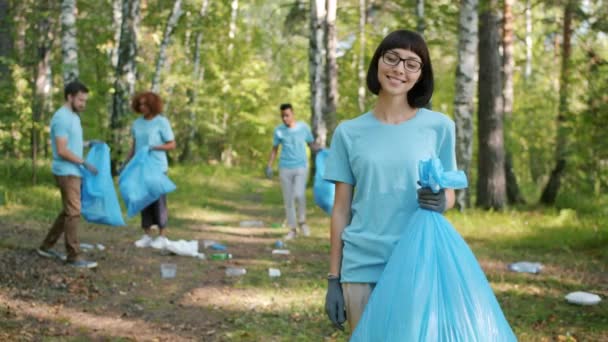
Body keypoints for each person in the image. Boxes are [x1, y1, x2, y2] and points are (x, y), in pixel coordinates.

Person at [323, 30, 457, 333]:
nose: (399, 69)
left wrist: (442, 201)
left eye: (412, 63)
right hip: (360, 263)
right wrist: (333, 278)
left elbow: (449, 194)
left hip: (416, 260)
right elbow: (341, 210)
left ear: (422, 75)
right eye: (392, 58)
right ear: (378, 63)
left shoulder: (440, 127)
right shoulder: (348, 132)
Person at [36, 81, 100, 269]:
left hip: (73, 170)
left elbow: (71, 142)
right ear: (69, 97)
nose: (83, 104)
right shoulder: (62, 117)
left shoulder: (73, 116)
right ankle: (73, 255)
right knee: (74, 212)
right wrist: (84, 162)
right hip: (67, 171)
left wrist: (88, 145)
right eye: (80, 100)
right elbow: (62, 150)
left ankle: (46, 246)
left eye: (85, 100)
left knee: (67, 211)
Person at [126, 91, 176, 249]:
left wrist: (154, 147)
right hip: (140, 167)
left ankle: (162, 235)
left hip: (157, 167)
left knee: (159, 201)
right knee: (143, 200)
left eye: (145, 104)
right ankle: (147, 235)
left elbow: (171, 144)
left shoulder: (162, 122)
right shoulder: (137, 123)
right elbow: (134, 146)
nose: (142, 107)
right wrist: (126, 164)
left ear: (153, 105)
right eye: (139, 104)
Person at [266, 103, 317, 240]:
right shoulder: (279, 131)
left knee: (299, 194)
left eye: (287, 115)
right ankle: (292, 229)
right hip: (285, 168)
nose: (285, 118)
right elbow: (274, 149)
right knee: (288, 199)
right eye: (282, 116)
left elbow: (311, 144)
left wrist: (323, 154)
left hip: (301, 166)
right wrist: (270, 165)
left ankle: (303, 222)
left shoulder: (303, 128)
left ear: (293, 114)